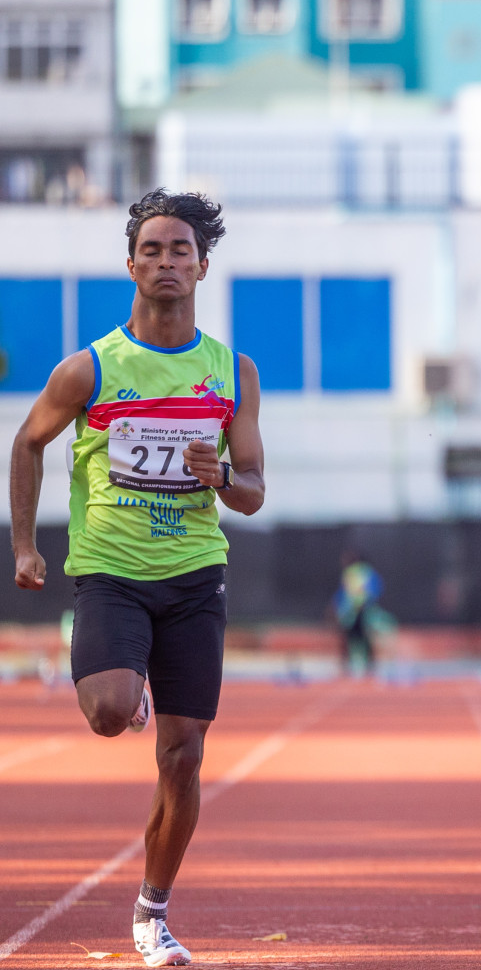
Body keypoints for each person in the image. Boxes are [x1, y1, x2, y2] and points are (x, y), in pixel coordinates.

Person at [10, 189, 265, 965]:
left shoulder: (231, 371)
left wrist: (217, 471)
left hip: (194, 576)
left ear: (202, 265)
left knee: (185, 758)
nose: (165, 261)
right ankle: (131, 681)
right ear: (130, 264)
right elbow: (26, 444)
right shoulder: (90, 369)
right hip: (112, 574)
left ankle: (152, 911)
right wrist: (24, 545)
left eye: (179, 250)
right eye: (151, 250)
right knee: (109, 711)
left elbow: (252, 492)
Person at [333, 551, 383, 676]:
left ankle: (368, 666)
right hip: (351, 610)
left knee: (363, 637)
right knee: (349, 637)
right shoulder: (351, 572)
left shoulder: (363, 572)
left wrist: (366, 602)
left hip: (361, 610)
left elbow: (374, 588)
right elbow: (344, 591)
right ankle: (349, 666)